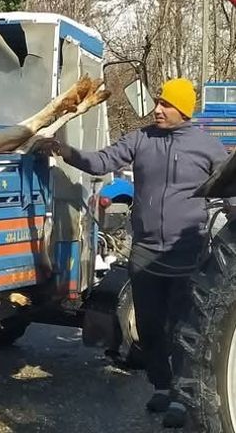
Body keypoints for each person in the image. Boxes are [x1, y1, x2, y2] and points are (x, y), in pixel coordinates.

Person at [39, 77, 229, 429]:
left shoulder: (208, 147)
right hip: (145, 252)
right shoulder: (142, 139)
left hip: (187, 252)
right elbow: (101, 162)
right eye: (157, 102)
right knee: (150, 327)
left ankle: (184, 397)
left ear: (183, 110)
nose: (157, 109)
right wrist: (64, 151)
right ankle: (162, 386)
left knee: (183, 332)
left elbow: (230, 189)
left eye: (166, 105)